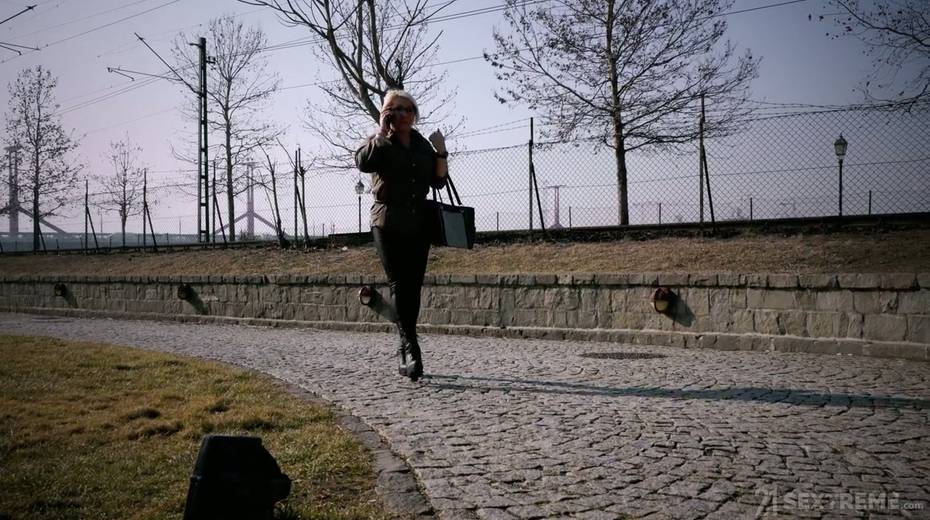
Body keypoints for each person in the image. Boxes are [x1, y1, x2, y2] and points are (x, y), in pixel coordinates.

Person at [355, 89, 448, 381]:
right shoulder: (379, 142)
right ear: (386, 113)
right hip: (387, 221)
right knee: (399, 284)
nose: (402, 114)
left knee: (413, 287)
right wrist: (381, 132)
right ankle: (412, 348)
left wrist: (441, 151)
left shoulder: (421, 145)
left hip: (419, 223)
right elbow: (363, 162)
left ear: (414, 114)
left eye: (407, 109)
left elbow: (439, 181)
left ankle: (404, 346)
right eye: (395, 109)